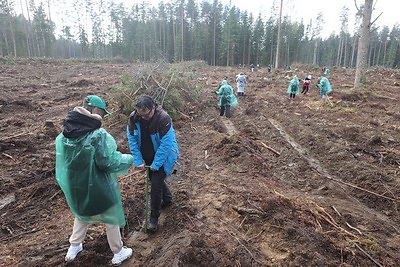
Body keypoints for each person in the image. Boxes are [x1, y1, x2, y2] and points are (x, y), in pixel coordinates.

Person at [55, 95, 134, 265]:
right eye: (103, 114)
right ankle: (118, 252)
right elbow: (107, 161)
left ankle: (74, 247)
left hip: (75, 183)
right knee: (111, 215)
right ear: (96, 111)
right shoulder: (97, 134)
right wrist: (128, 159)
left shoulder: (66, 133)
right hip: (97, 183)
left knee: (82, 211)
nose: (103, 118)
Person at [126, 95, 180, 232]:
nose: (143, 117)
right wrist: (138, 160)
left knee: (155, 185)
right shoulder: (133, 118)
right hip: (147, 155)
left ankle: (153, 219)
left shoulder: (163, 118)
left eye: (146, 115)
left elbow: (166, 144)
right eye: (140, 114)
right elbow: (132, 140)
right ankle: (167, 199)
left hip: (164, 155)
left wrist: (156, 164)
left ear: (153, 108)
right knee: (155, 180)